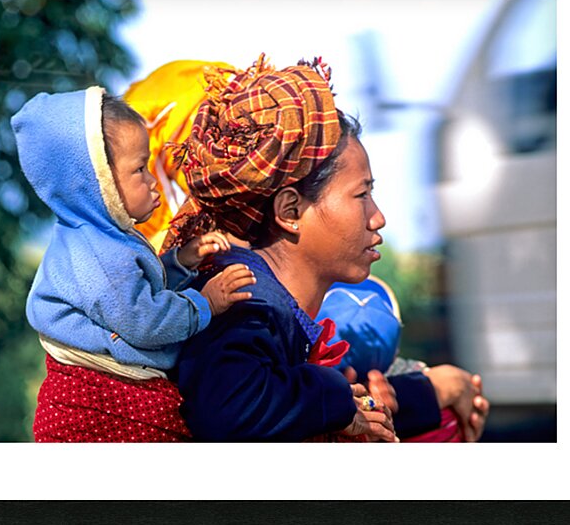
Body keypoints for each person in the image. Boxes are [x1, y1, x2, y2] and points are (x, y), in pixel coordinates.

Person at [167, 55, 489, 441]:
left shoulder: (274, 304)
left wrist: (429, 391)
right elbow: (226, 409)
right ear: (290, 210)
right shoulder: (244, 301)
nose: (378, 218)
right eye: (362, 194)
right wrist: (333, 396)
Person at [11, 88, 254, 442]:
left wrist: (178, 262)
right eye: (140, 169)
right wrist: (206, 303)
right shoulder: (98, 251)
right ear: (97, 183)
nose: (154, 182)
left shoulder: (101, 236)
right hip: (102, 400)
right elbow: (143, 321)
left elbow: (134, 293)